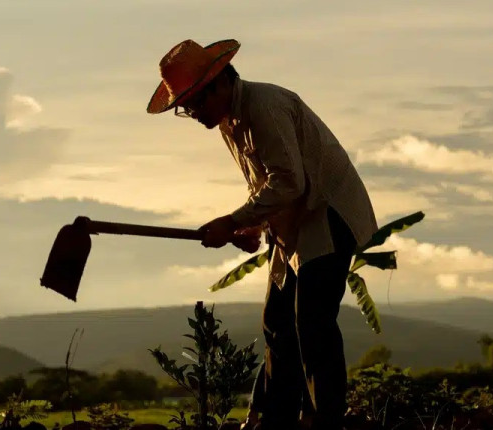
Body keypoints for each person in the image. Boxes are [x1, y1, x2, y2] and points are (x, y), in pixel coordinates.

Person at [146, 39, 379, 430]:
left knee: (312, 322)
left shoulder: (264, 107)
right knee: (277, 321)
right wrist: (250, 226)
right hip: (295, 226)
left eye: (195, 103)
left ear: (220, 83)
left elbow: (289, 183)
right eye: (186, 107)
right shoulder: (229, 122)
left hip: (327, 217)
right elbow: (265, 185)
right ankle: (273, 418)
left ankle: (323, 420)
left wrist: (232, 220)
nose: (192, 112)